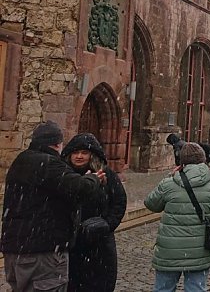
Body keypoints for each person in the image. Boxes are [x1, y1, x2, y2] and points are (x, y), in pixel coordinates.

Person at [2, 122, 105, 292]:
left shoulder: (20, 160)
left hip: (15, 250)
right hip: (43, 251)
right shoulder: (48, 163)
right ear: (58, 144)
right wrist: (94, 178)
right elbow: (79, 188)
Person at [145, 143, 210, 292]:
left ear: (181, 163)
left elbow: (151, 203)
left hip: (169, 250)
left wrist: (169, 177)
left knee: (163, 289)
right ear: (203, 160)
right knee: (196, 289)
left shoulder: (169, 183)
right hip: (200, 250)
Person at [61, 133, 127, 292]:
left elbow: (119, 202)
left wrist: (107, 224)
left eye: (84, 153)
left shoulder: (107, 175)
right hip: (70, 242)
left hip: (100, 242)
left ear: (92, 155)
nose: (78, 156)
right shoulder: (64, 175)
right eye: (76, 153)